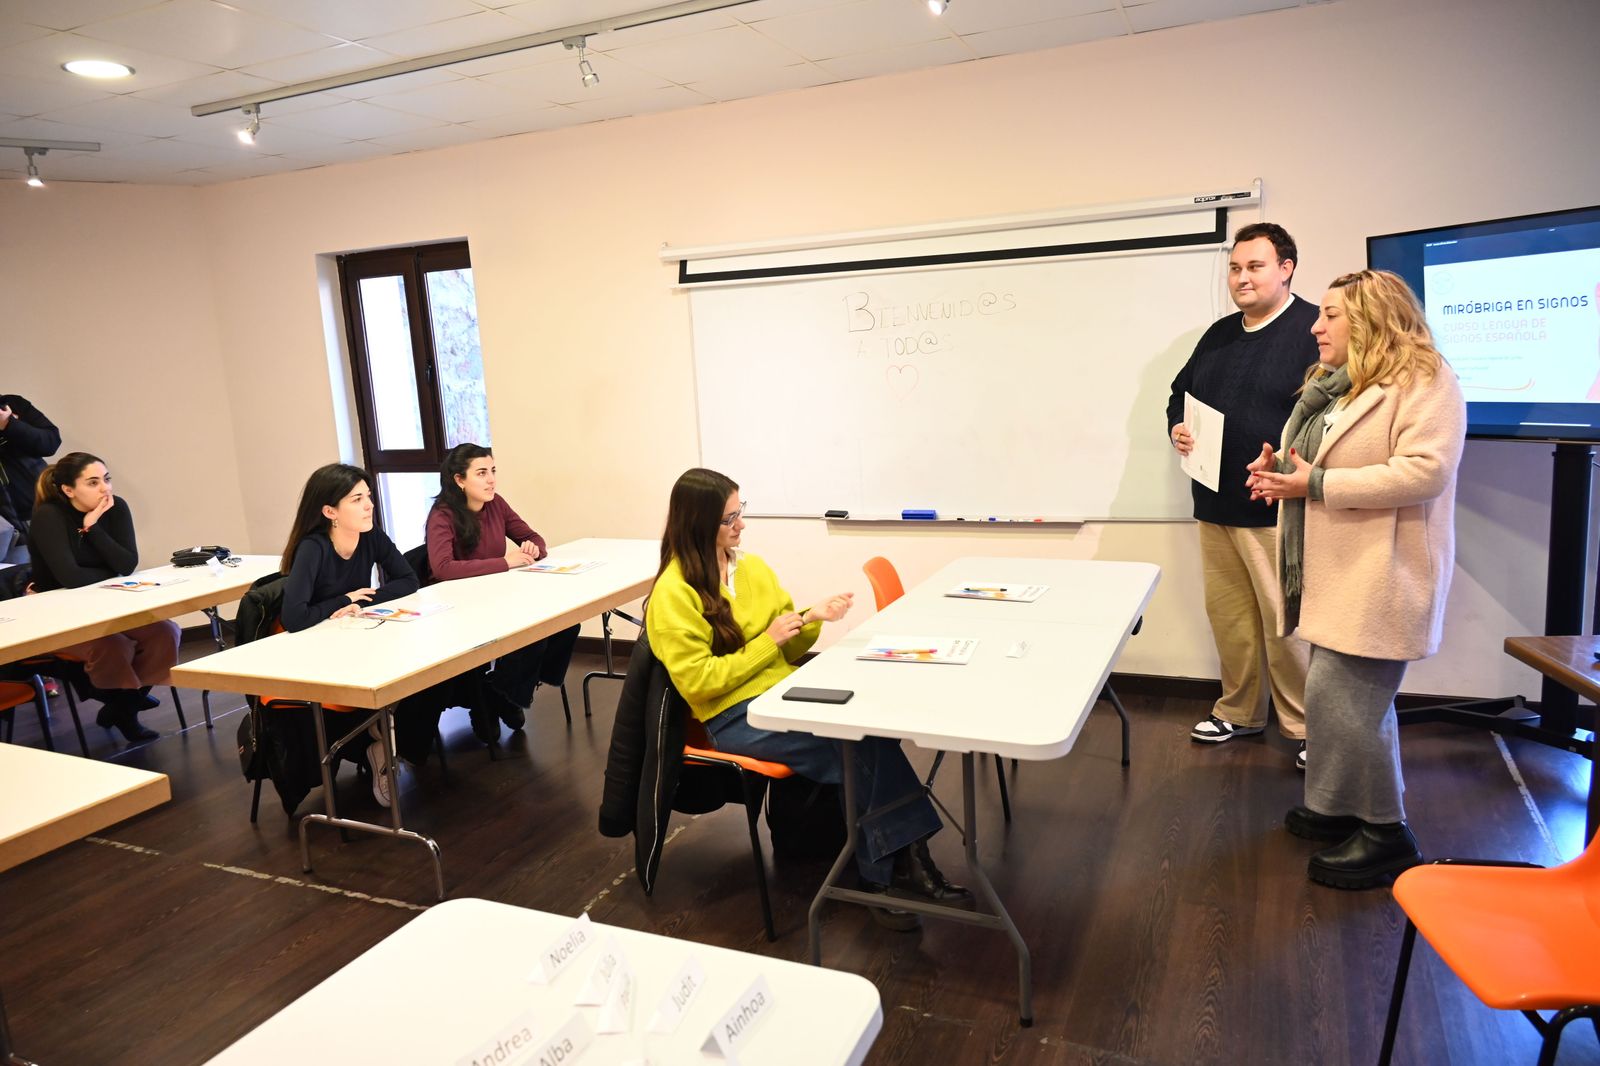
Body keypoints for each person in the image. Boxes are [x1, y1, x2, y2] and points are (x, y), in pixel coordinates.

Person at [646, 467, 970, 927]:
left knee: (867, 729)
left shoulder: (750, 567)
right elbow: (699, 683)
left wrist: (810, 618)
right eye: (728, 519)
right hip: (732, 717)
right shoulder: (672, 594)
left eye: (741, 512)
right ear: (696, 523)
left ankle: (898, 865)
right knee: (854, 747)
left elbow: (788, 644)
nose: (740, 525)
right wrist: (770, 642)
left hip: (782, 691)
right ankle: (893, 872)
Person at [1245, 269, 1465, 889]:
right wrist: (1281, 472)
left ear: (1374, 318)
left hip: (1385, 574)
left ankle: (1387, 834)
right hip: (1339, 570)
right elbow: (1323, 463)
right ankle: (1337, 807)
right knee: (1332, 700)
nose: (1315, 325)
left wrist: (1312, 483)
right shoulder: (1338, 387)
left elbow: (1424, 471)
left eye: (1331, 315)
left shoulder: (1425, 378)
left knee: (1351, 705)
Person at [1167, 223, 1318, 768]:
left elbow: (1335, 416)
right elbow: (1179, 394)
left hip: (1276, 506)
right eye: (1235, 268)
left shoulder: (1314, 329)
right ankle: (1239, 712)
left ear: (1286, 268)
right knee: (1229, 617)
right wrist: (1176, 429)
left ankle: (1305, 728)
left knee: (1286, 623)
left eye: (1255, 266)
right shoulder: (1220, 333)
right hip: (1214, 502)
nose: (1242, 278)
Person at [280, 463, 420, 806]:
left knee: (418, 671)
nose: (369, 505)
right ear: (330, 512)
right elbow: (295, 618)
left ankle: (381, 738)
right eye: (357, 499)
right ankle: (375, 742)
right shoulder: (313, 548)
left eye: (368, 496)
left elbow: (408, 580)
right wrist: (344, 600)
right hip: (313, 650)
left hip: (355, 636)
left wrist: (362, 602)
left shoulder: (370, 535)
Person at [426, 443, 580, 744]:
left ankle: (501, 694)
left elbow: (534, 538)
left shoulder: (496, 504)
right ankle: (501, 696)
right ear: (459, 480)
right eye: (481, 473)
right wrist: (505, 562)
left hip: (496, 597)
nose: (491, 480)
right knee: (531, 633)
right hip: (458, 606)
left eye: (493, 471)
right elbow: (443, 569)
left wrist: (533, 548)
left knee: (565, 624)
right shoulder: (442, 515)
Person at [26, 452, 179, 742]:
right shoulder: (49, 515)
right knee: (111, 645)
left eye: (107, 479)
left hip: (107, 604)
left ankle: (123, 704)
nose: (105, 488)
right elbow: (70, 579)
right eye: (93, 482)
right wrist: (109, 571)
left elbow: (126, 564)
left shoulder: (116, 508)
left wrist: (93, 526)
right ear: (68, 490)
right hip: (59, 612)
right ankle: (127, 709)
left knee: (165, 631)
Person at [0, 392, 62, 564]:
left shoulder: (11, 404)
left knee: (58, 569)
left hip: (39, 508)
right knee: (18, 583)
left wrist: (9, 424)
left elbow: (51, 442)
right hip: (5, 528)